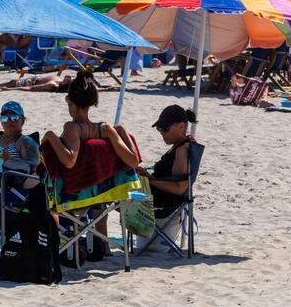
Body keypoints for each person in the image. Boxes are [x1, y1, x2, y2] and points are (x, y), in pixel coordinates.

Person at [41, 71, 140, 170]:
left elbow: (70, 161)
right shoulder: (105, 128)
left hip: (78, 183)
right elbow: (134, 162)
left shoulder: (72, 127)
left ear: (69, 100)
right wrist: (122, 130)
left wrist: (51, 135)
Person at [135, 104, 197, 252]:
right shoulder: (182, 145)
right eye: (159, 129)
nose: (162, 133)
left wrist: (150, 179)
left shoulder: (182, 149)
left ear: (181, 127)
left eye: (165, 129)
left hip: (164, 203)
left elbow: (179, 188)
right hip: (160, 197)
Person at [0, 101, 40, 178]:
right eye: (4, 118)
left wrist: (9, 159)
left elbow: (35, 168)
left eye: (14, 118)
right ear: (1, 121)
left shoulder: (25, 141)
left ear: (22, 120)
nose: (9, 121)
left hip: (7, 184)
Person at [0, 72, 75, 92]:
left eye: (69, 78)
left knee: (13, 82)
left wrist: (10, 89)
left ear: (66, 84)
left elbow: (30, 88)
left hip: (32, 82)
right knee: (13, 81)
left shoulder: (52, 85)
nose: (69, 76)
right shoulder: (60, 81)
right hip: (36, 78)